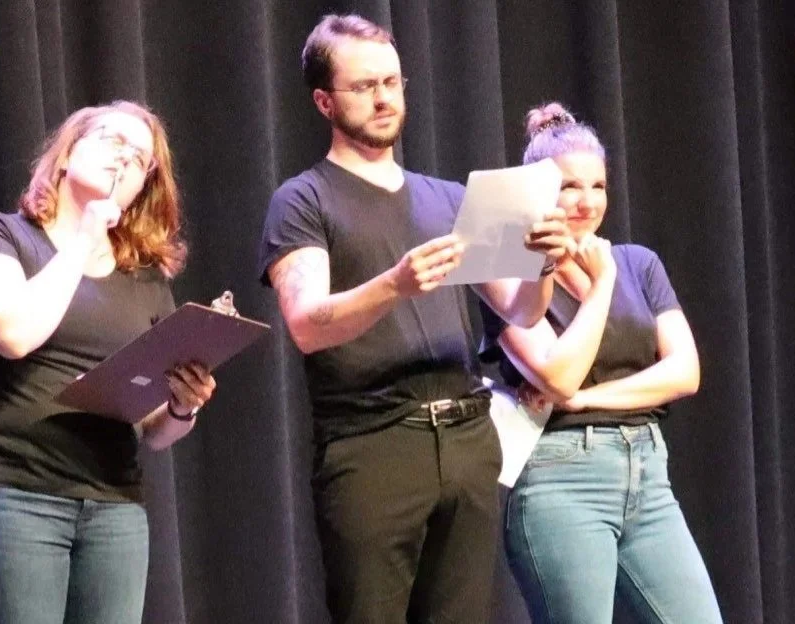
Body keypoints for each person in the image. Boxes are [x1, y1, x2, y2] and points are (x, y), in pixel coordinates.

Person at [257, 14, 572, 624]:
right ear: (324, 101)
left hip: (467, 440)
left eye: (391, 82)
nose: (383, 98)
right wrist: (394, 285)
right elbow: (307, 325)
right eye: (363, 86)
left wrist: (544, 264)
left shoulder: (449, 198)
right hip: (374, 445)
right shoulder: (303, 199)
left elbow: (520, 310)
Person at [0, 100, 216, 624]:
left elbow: (152, 429)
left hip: (113, 506)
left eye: (139, 159)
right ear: (67, 154)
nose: (124, 159)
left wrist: (182, 406)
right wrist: (85, 238)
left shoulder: (145, 280)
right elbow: (13, 332)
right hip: (13, 496)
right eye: (113, 141)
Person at [480, 102, 723, 623]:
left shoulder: (639, 263)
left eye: (598, 186)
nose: (587, 202)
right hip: (563, 477)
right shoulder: (510, 273)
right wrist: (601, 283)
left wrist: (585, 398)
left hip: (648, 472)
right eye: (570, 186)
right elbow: (557, 374)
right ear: (537, 191)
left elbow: (684, 371)